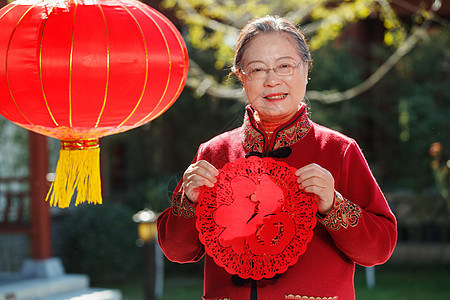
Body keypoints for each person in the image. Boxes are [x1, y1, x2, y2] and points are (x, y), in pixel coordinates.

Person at [157, 15, 397, 300]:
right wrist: (189, 202)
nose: (272, 80)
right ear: (240, 76)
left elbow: (379, 249)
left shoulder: (337, 150)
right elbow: (177, 251)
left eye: (285, 66)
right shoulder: (214, 153)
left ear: (305, 69)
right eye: (257, 69)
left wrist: (333, 205)